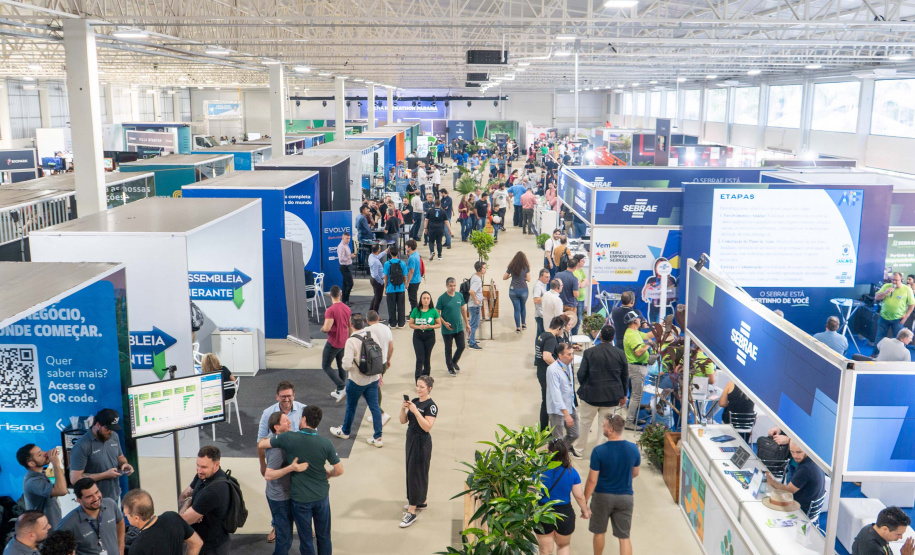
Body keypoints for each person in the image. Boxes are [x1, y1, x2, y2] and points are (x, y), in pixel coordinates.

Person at [258, 406, 343, 555]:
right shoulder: (326, 443)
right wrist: (329, 473)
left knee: (306, 540)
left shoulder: (289, 438)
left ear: (303, 419)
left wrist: (263, 460)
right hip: (322, 497)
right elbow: (340, 470)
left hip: (300, 500)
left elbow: (262, 444)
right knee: (324, 536)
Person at [585, 415, 640, 555]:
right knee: (624, 537)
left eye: (604, 426)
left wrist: (584, 500)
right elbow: (635, 473)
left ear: (610, 430)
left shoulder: (599, 451)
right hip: (625, 497)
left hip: (602, 496)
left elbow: (592, 480)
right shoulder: (633, 449)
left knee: (599, 532)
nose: (602, 427)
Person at [328, 313, 385, 447]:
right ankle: (378, 437)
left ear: (351, 325)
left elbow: (346, 365)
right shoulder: (372, 335)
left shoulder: (351, 341)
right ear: (363, 324)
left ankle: (345, 431)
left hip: (357, 381)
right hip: (373, 378)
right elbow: (378, 355)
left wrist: (352, 364)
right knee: (375, 407)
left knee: (351, 407)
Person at [575, 325, 629, 455]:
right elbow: (624, 376)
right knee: (605, 425)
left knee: (585, 423)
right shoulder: (620, 354)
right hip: (611, 397)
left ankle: (578, 450)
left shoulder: (589, 353)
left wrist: (585, 385)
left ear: (600, 336)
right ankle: (601, 453)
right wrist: (623, 395)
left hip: (590, 395)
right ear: (613, 337)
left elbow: (581, 374)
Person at [259, 412, 306, 555]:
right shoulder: (277, 450)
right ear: (277, 427)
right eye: (286, 421)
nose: (290, 422)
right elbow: (268, 475)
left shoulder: (276, 440)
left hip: (282, 494)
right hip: (280, 498)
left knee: (285, 534)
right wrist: (291, 468)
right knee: (284, 537)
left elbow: (260, 444)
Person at [535, 440, 590, 555]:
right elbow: (579, 496)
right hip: (564, 513)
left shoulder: (538, 471)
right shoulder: (572, 472)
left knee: (545, 550)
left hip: (543, 512)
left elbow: (529, 492)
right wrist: (585, 510)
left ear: (549, 453)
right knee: (563, 546)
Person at [399, 376, 439, 528]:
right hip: (411, 439)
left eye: (422, 387)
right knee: (411, 470)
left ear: (429, 388)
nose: (419, 389)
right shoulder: (414, 401)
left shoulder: (431, 406)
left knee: (417, 473)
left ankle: (412, 510)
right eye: (417, 386)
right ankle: (421, 501)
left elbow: (427, 426)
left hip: (422, 442)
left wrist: (416, 412)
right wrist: (403, 409)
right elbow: (403, 421)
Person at [69, 409, 133, 502]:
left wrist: (125, 464)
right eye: (107, 429)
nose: (110, 432)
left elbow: (120, 457)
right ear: (97, 424)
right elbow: (75, 479)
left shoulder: (114, 436)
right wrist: (105, 475)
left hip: (114, 495)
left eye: (112, 429)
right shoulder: (82, 446)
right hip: (95, 500)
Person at [178, 447, 231, 555]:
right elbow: (183, 496)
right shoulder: (202, 476)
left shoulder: (214, 490)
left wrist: (191, 509)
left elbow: (182, 521)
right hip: (197, 541)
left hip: (211, 547)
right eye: (197, 465)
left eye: (204, 467)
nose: (199, 470)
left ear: (216, 465)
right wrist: (191, 502)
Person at [122, 489, 202, 555]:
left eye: (126, 514)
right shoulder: (172, 517)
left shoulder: (137, 547)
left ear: (136, 518)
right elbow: (197, 543)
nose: (125, 515)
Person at [58, 478, 124, 555]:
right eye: (89, 496)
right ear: (79, 500)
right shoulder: (68, 524)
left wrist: (121, 549)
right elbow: (55, 547)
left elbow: (120, 522)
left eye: (97, 492)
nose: (96, 498)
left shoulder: (110, 504)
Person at [766, 440, 826, 517]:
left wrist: (771, 481)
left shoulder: (805, 469)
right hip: (812, 506)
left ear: (806, 449)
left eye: (798, 452)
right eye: (792, 452)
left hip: (802, 511)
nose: (795, 456)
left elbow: (787, 491)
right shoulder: (815, 459)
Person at [17, 444, 66, 527]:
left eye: (42, 450)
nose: (45, 453)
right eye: (40, 454)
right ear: (31, 463)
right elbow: (62, 490)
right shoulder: (32, 482)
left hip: (53, 525)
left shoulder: (40, 474)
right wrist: (56, 464)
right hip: (45, 531)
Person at [546, 343, 580, 454]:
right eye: (568, 354)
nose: (572, 357)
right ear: (560, 355)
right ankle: (556, 460)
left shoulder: (568, 365)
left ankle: (559, 452)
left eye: (572, 354)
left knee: (574, 434)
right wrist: (566, 414)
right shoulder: (552, 370)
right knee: (557, 439)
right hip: (557, 410)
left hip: (570, 405)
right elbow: (556, 395)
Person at [623, 311, 654, 431]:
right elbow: (638, 352)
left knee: (637, 395)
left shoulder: (634, 332)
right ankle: (629, 422)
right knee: (636, 396)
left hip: (639, 367)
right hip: (636, 368)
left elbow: (647, 336)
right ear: (634, 321)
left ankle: (633, 418)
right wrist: (649, 345)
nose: (641, 321)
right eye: (639, 319)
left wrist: (660, 328)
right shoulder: (631, 335)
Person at [320, 285, 351, 402]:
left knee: (326, 365)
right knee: (341, 365)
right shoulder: (346, 308)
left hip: (333, 342)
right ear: (340, 294)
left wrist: (322, 329)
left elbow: (327, 328)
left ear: (330, 295)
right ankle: (341, 391)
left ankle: (341, 386)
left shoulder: (330, 310)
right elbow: (350, 326)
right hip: (344, 340)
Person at [364, 310, 394, 427]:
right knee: (376, 388)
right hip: (383, 363)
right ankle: (376, 414)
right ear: (379, 317)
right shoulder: (386, 328)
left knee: (371, 389)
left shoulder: (367, 331)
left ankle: (380, 414)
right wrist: (388, 359)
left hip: (372, 365)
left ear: (367, 321)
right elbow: (391, 347)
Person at [536, 317, 566, 430]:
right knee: (547, 401)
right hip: (546, 374)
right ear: (558, 328)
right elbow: (546, 356)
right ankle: (544, 428)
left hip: (541, 371)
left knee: (546, 400)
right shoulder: (551, 338)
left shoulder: (542, 335)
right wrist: (559, 368)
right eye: (562, 329)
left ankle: (544, 428)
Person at [436, 278, 468, 377]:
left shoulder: (459, 295)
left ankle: (454, 362)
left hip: (459, 327)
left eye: (454, 285)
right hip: (447, 329)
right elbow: (437, 313)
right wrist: (444, 323)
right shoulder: (442, 298)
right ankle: (450, 368)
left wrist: (467, 323)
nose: (453, 288)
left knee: (461, 346)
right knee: (448, 349)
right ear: (446, 286)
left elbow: (463, 309)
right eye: (450, 286)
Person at [875, 272, 915, 350]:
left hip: (898, 319)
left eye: (897, 280)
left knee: (899, 340)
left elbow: (912, 304)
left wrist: (906, 316)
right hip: (884, 317)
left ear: (901, 280)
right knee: (880, 336)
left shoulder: (907, 289)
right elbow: (876, 297)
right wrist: (885, 292)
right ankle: (875, 354)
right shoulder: (886, 286)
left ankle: (897, 357)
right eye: (893, 280)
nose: (894, 282)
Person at [409, 291, 442, 380]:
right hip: (418, 335)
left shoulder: (433, 311)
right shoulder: (416, 310)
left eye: (428, 298)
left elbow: (439, 324)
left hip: (429, 335)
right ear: (421, 300)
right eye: (424, 298)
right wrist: (418, 327)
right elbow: (411, 324)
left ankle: (426, 378)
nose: (426, 300)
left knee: (427, 358)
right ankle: (418, 379)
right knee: (420, 358)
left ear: (430, 300)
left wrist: (431, 326)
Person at [503, 251, 531, 333]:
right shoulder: (526, 267)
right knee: (523, 307)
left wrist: (511, 276)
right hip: (524, 290)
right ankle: (524, 324)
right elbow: (528, 279)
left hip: (513, 290)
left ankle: (518, 327)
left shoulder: (511, 267)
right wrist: (523, 278)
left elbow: (504, 277)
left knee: (516, 309)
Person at [383, 245, 408, 329]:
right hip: (400, 288)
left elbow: (386, 277)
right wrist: (405, 284)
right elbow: (405, 276)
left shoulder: (387, 264)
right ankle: (401, 323)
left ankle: (392, 324)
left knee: (391, 306)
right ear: (398, 253)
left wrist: (385, 288)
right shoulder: (402, 263)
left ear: (389, 253)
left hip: (390, 288)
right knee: (401, 306)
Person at [467, 261, 485, 350]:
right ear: (479, 269)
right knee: (474, 324)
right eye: (484, 268)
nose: (485, 269)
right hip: (475, 306)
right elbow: (471, 291)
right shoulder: (477, 280)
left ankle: (470, 338)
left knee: (472, 323)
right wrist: (476, 301)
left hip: (472, 305)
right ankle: (472, 343)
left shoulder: (474, 276)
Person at [573, 256, 590, 336]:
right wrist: (582, 284)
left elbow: (587, 281)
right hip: (577, 299)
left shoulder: (581, 271)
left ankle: (575, 338)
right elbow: (578, 284)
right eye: (582, 261)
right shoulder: (574, 272)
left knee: (579, 319)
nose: (584, 262)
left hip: (582, 299)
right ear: (578, 262)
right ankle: (574, 338)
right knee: (577, 320)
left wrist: (582, 283)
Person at [532, 269, 551, 338]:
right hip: (540, 315)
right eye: (546, 277)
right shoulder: (538, 286)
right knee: (542, 336)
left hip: (542, 314)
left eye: (549, 277)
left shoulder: (543, 284)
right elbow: (536, 300)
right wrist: (548, 296)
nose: (548, 279)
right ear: (540, 277)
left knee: (539, 335)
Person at [368, 244, 386, 314]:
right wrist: (381, 282)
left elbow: (378, 256)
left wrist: (385, 252)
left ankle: (371, 311)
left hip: (373, 279)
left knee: (376, 296)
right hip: (377, 281)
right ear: (378, 250)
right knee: (378, 298)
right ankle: (375, 314)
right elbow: (376, 275)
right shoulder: (375, 262)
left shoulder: (371, 256)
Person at [404, 240, 422, 312]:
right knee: (413, 298)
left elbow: (411, 271)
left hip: (413, 281)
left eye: (406, 246)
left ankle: (415, 314)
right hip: (417, 278)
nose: (405, 247)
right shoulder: (416, 254)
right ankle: (413, 311)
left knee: (412, 299)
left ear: (409, 247)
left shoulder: (412, 258)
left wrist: (407, 282)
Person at [336, 232, 354, 304]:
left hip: (347, 266)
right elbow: (341, 259)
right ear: (342, 238)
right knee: (350, 284)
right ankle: (346, 300)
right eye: (347, 238)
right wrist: (350, 256)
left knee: (345, 284)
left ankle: (344, 300)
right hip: (344, 267)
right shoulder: (341, 247)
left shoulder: (346, 245)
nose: (348, 240)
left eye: (349, 238)